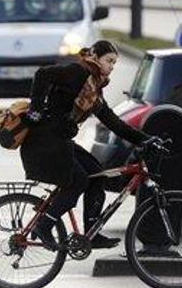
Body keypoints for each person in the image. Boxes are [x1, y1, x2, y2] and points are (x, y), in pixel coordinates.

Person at [20, 40, 159, 251]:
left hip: (60, 141)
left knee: (97, 175)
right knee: (78, 181)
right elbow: (42, 74)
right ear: (95, 56)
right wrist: (36, 109)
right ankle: (43, 225)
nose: (112, 66)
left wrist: (144, 139)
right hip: (45, 141)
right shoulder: (78, 72)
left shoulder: (94, 88)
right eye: (109, 60)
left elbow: (113, 121)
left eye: (114, 62)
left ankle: (91, 232)